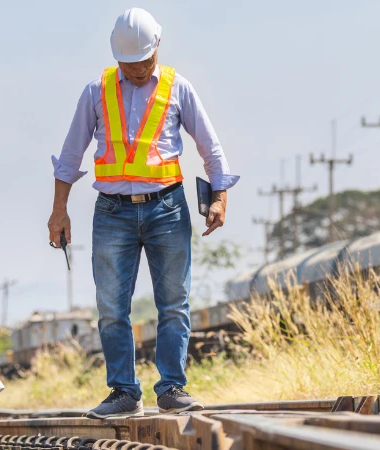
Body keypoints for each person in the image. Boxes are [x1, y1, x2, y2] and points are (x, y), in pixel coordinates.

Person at [47, 7, 239, 418]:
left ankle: (171, 387)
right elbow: (69, 155)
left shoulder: (178, 88)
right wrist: (58, 210)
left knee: (174, 303)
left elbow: (211, 147)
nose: (137, 70)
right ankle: (123, 392)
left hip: (167, 209)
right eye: (129, 64)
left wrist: (220, 197)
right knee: (112, 308)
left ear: (158, 49)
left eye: (145, 62)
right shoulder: (95, 92)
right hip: (111, 212)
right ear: (117, 57)